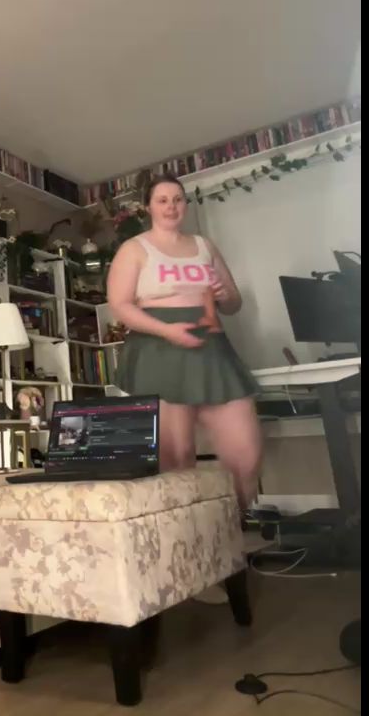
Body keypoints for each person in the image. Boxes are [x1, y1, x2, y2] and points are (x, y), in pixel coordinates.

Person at [107, 173, 262, 510]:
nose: (171, 206)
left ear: (186, 205)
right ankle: (187, 534)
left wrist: (225, 295)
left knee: (246, 454)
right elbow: (120, 306)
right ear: (148, 207)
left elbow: (233, 304)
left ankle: (231, 525)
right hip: (159, 351)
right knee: (176, 459)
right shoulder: (134, 249)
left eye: (178, 199)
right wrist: (166, 331)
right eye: (162, 200)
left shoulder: (205, 246)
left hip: (212, 351)